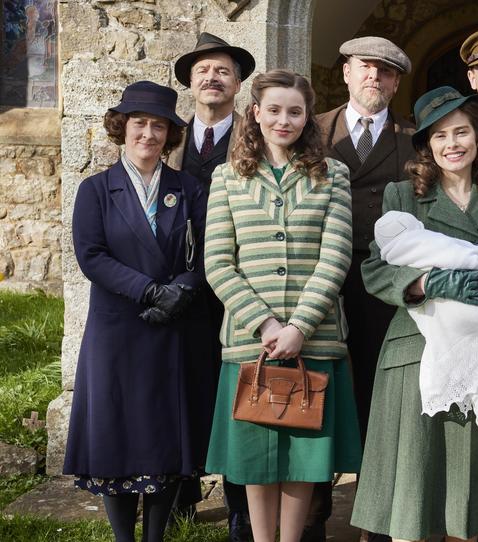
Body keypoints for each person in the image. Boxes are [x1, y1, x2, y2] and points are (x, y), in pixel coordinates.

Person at [351, 86, 478, 542]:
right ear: (427, 147)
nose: (452, 144)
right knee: (416, 489)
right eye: (440, 137)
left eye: (461, 133)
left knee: (467, 491)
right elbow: (375, 268)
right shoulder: (404, 195)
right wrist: (423, 283)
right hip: (418, 353)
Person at [203, 69, 362, 542]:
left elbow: (335, 257)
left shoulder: (332, 175)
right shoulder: (227, 177)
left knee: (303, 453)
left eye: (294, 111)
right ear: (255, 113)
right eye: (273, 110)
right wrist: (267, 324)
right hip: (251, 344)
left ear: (307, 116)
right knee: (255, 453)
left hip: (313, 338)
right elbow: (217, 262)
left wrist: (298, 326)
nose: (284, 120)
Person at [63, 80, 215, 542]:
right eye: (139, 123)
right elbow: (91, 256)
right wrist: (150, 290)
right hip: (119, 329)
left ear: (170, 134)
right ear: (122, 128)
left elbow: (208, 253)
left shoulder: (188, 188)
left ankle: (156, 536)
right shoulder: (96, 190)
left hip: (174, 326)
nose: (148, 133)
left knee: (165, 433)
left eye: (158, 125)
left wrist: (183, 289)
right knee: (119, 433)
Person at [314, 36, 414, 542]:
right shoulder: (313, 131)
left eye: (386, 71)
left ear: (397, 83)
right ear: (347, 73)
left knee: (379, 394)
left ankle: (379, 513)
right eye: (365, 68)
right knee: (317, 389)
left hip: (381, 284)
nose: (375, 77)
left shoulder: (412, 139)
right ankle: (312, 510)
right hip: (317, 280)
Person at [167, 31, 256, 540]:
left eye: (222, 70)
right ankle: (180, 493)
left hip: (238, 283)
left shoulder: (256, 134)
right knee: (184, 388)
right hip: (182, 288)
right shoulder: (170, 138)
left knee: (239, 393)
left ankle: (241, 504)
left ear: (238, 82)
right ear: (190, 84)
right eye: (202, 71)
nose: (212, 78)